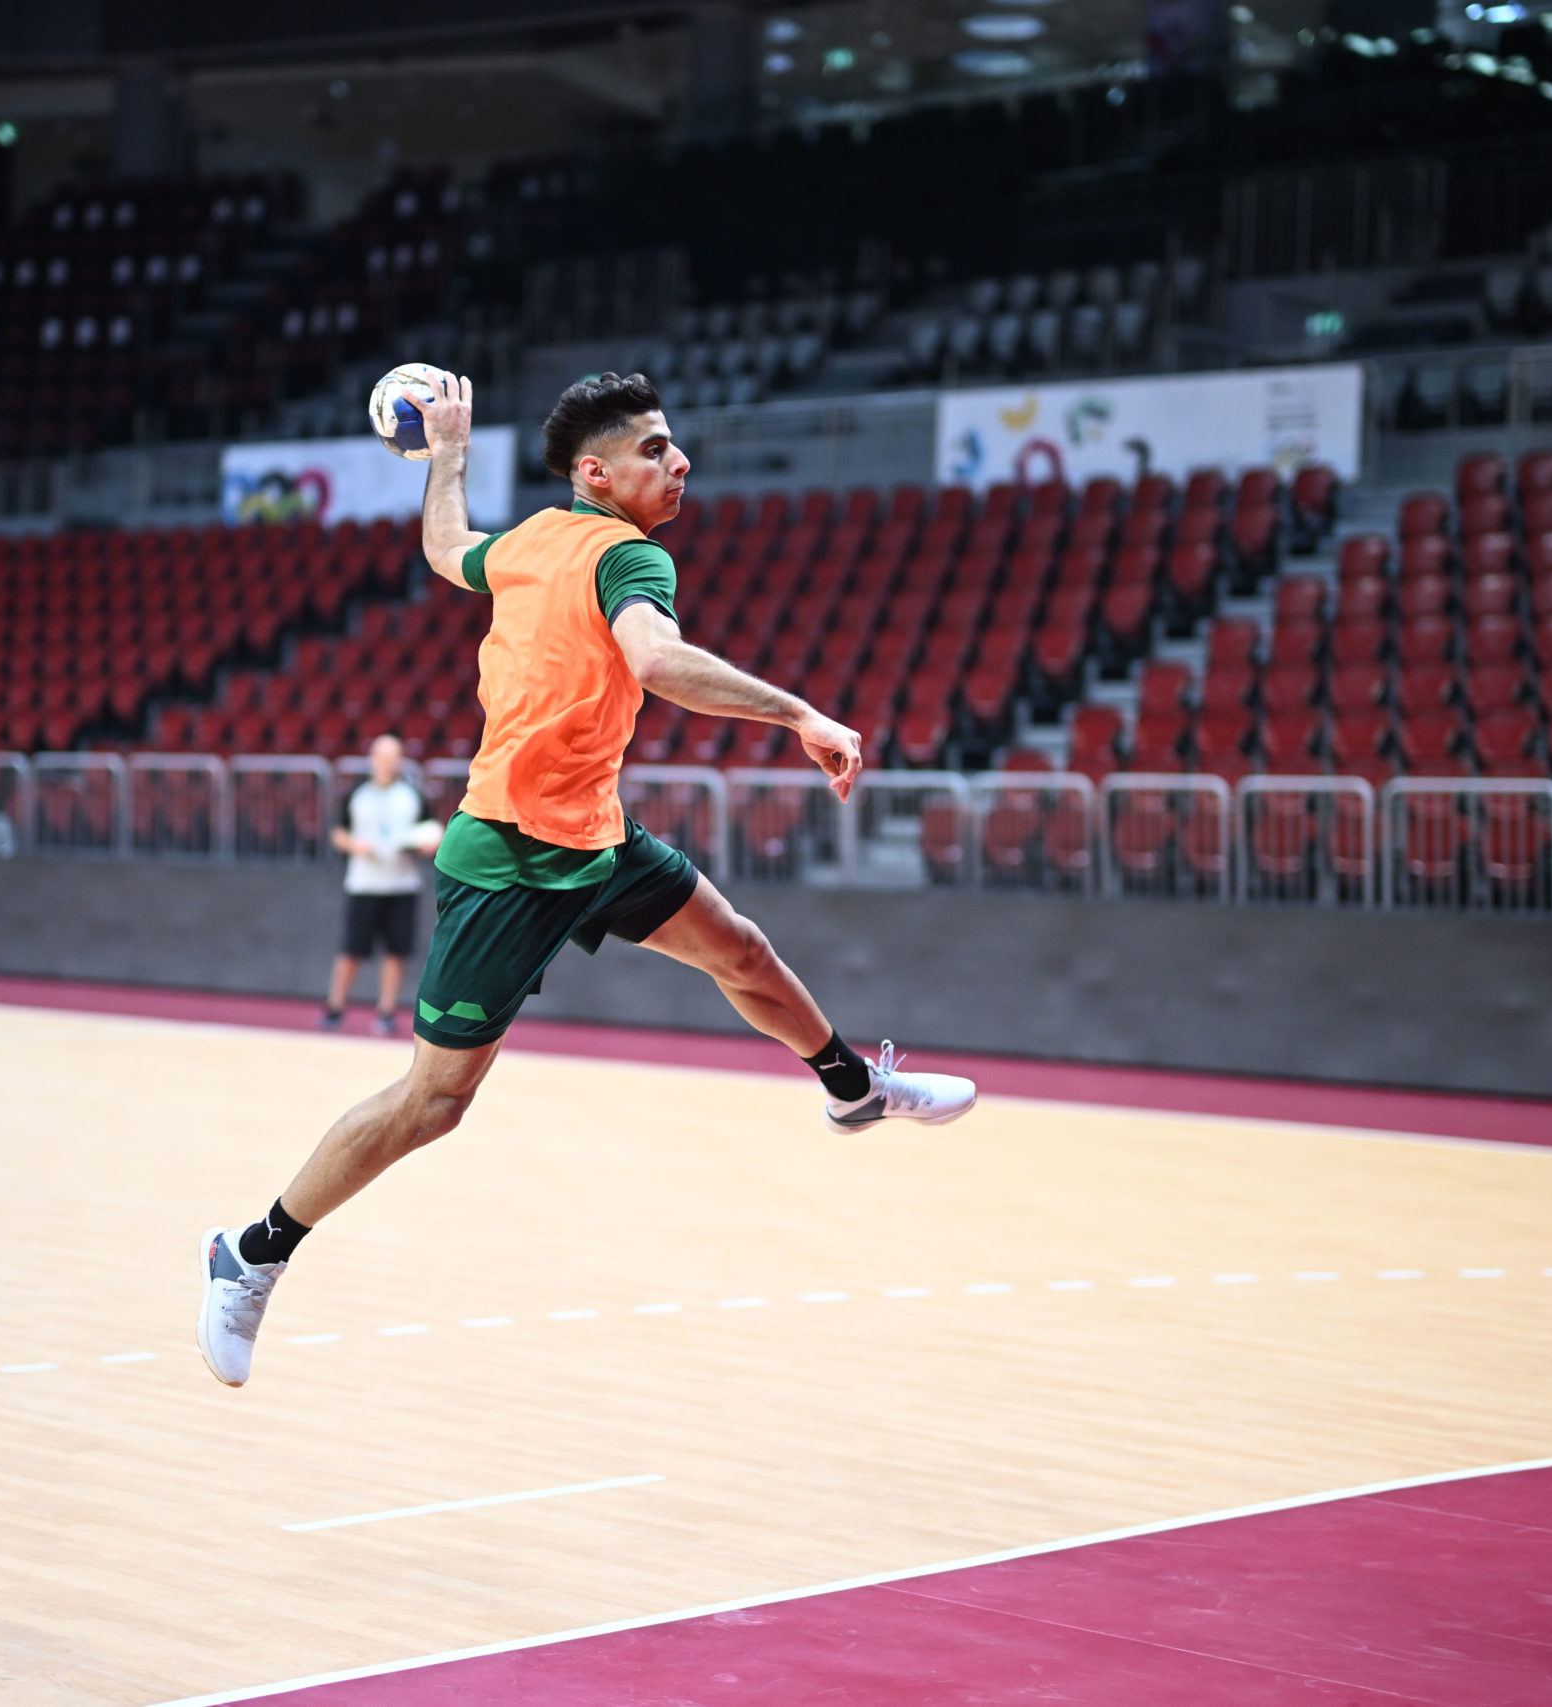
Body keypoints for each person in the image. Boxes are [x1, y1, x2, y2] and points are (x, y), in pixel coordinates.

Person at [196, 371, 976, 1386]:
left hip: (594, 838)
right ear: (596, 474)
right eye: (654, 449)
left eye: (672, 444)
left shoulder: (529, 541)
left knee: (740, 949)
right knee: (434, 1103)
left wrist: (449, 458)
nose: (680, 461)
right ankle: (250, 1253)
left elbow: (445, 548)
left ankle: (853, 1088)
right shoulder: (628, 556)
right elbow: (657, 662)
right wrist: (798, 714)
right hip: (507, 861)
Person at [322, 732, 442, 1036]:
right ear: (372, 759)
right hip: (364, 883)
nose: (388, 762)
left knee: (395, 951)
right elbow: (337, 832)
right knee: (352, 949)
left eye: (394, 757)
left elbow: (430, 830)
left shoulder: (412, 794)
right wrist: (354, 845)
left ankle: (386, 1012)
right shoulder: (357, 793)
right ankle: (335, 1008)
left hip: (401, 884)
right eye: (382, 756)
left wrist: (426, 844)